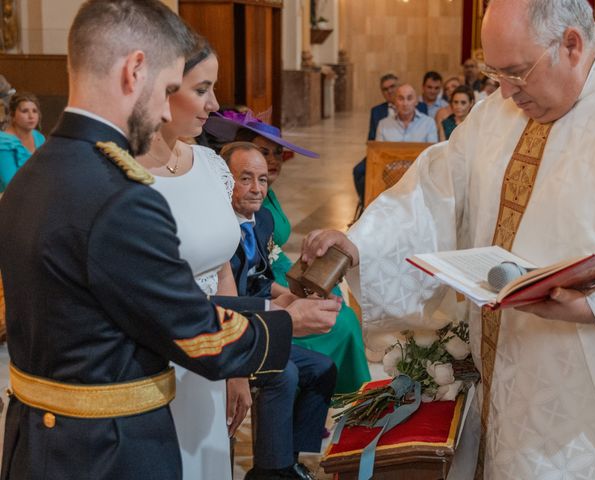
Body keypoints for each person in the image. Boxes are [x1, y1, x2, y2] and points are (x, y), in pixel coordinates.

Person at [301, 0, 595, 478]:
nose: (504, 92)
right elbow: (438, 186)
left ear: (571, 44)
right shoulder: (501, 109)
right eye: (494, 72)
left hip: (589, 385)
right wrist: (364, 241)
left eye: (517, 73)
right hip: (502, 361)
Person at [0, 1, 336, 479]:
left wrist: (265, 310)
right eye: (169, 88)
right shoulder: (120, 196)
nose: (163, 108)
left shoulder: (33, 173)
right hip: (110, 449)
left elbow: (119, 309)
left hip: (37, 441)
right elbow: (192, 329)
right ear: (135, 70)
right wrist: (286, 322)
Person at [204, 112, 371, 394]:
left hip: (272, 273)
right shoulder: (230, 211)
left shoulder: (265, 197)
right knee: (340, 324)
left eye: (277, 154)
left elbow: (264, 256)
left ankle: (342, 399)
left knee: (340, 309)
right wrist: (284, 300)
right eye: (263, 152)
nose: (271, 161)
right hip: (250, 293)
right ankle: (338, 395)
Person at [222, 141, 337, 480]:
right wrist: (279, 307)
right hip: (229, 326)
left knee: (323, 369)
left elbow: (260, 277)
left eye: (263, 180)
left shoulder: (263, 221)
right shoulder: (215, 231)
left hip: (261, 319)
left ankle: (293, 457)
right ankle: (271, 472)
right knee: (283, 373)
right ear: (224, 181)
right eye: (246, 179)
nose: (257, 189)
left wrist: (291, 296)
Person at [352, 73, 399, 205]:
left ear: (398, 86)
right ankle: (366, 203)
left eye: (392, 86)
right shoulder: (377, 111)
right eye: (385, 89)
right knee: (358, 171)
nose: (389, 91)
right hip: (381, 152)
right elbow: (372, 137)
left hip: (402, 152)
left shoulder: (413, 107)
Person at [0, 92, 45, 192]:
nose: (31, 116)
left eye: (34, 111)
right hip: (8, 199)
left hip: (36, 194)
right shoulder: (3, 143)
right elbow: (10, 184)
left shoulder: (39, 137)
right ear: (12, 115)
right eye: (25, 111)